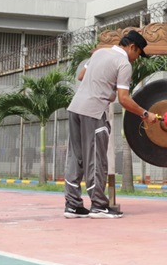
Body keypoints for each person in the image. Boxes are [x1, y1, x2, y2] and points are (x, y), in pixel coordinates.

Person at [64, 30, 157, 219]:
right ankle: (98, 206)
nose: (136, 59)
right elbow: (124, 99)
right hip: (94, 112)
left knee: (75, 157)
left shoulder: (100, 53)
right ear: (132, 47)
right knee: (96, 159)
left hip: (75, 108)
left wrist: (105, 83)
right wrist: (145, 114)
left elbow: (82, 76)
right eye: (137, 54)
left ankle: (72, 205)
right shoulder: (123, 63)